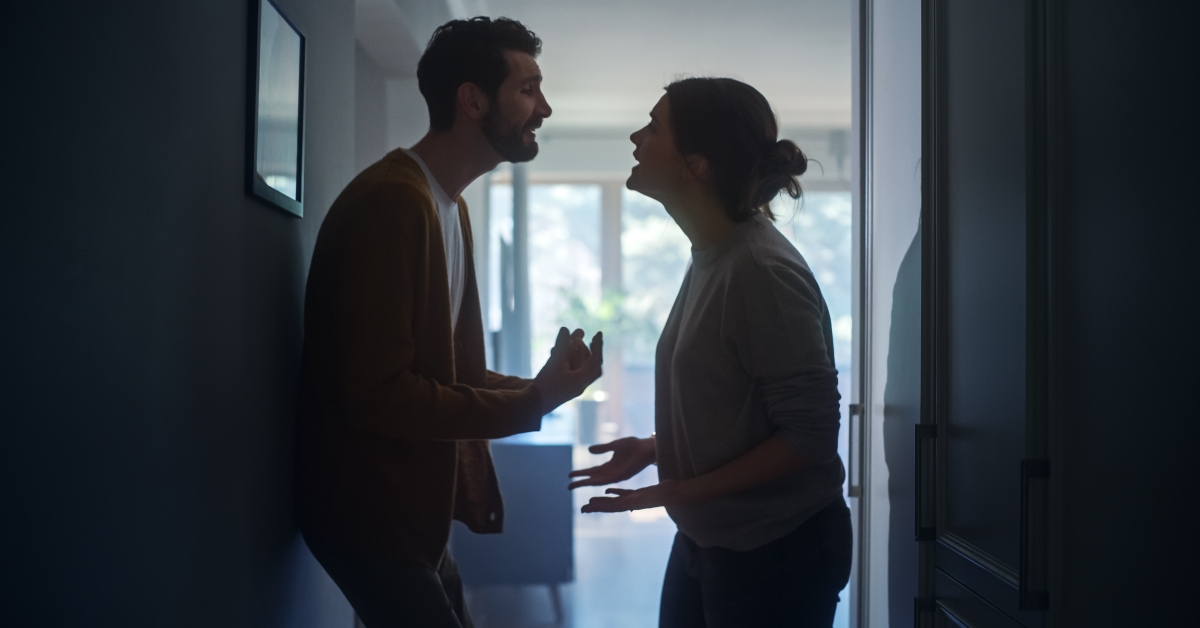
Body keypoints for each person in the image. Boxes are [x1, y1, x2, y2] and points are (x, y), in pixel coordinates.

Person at [296, 17, 602, 628]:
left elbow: (449, 372)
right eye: (528, 90)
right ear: (473, 100)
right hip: (372, 514)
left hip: (411, 514)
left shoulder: (449, 206)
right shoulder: (393, 203)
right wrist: (534, 400)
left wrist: (542, 388)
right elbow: (381, 395)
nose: (544, 108)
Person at [568, 78, 850, 627]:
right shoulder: (714, 253)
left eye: (653, 127)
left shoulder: (761, 271)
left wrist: (676, 488)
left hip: (776, 551)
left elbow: (809, 436)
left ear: (695, 165)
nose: (635, 137)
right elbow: (741, 407)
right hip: (712, 536)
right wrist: (660, 449)